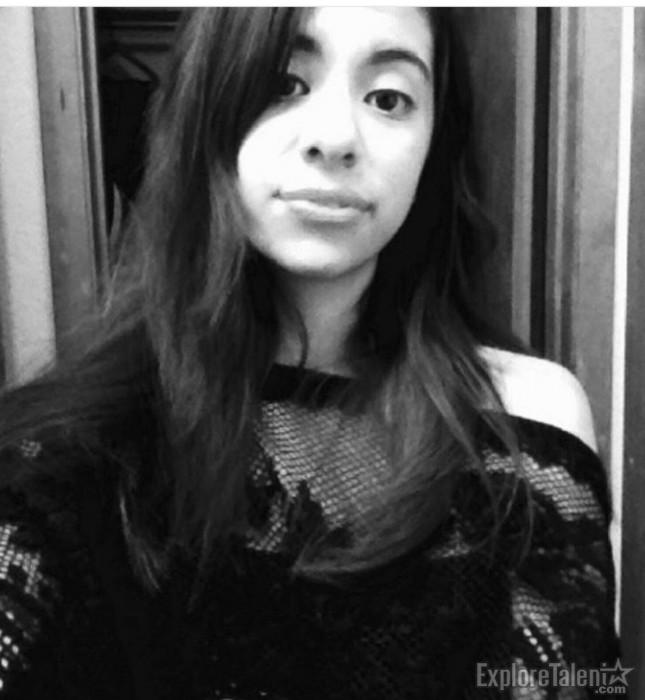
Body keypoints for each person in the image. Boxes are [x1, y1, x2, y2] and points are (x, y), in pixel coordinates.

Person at [0, 7, 618, 699]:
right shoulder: (58, 462)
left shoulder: (529, 427)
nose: (335, 138)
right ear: (206, 107)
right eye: (284, 83)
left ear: (433, 145)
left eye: (388, 98)